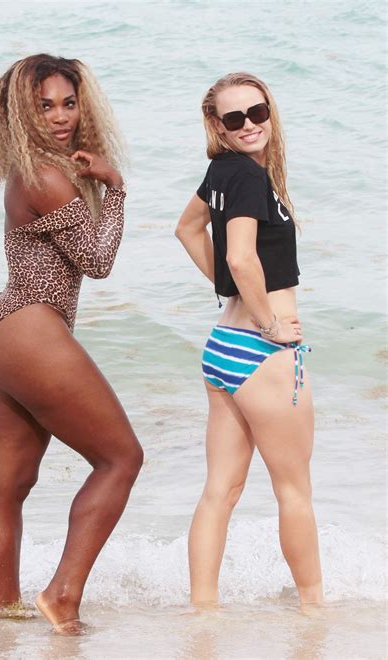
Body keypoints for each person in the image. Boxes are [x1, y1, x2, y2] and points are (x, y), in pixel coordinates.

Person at [0, 54, 143, 633]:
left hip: (1, 328)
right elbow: (98, 261)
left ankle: (6, 614)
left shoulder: (32, 170)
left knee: (10, 484)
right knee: (121, 458)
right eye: (45, 106)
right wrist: (114, 187)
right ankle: (62, 597)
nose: (61, 116)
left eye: (69, 103)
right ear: (22, 111)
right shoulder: (45, 176)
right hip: (29, 326)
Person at [175, 72, 322, 607]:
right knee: (294, 491)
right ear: (218, 125)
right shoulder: (246, 177)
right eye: (234, 118)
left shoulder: (224, 172)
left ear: (269, 111)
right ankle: (314, 611)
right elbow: (239, 255)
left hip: (223, 350)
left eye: (257, 112)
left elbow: (187, 228)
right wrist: (269, 324)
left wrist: (229, 290)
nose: (250, 125)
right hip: (263, 353)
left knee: (221, 491)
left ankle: (204, 611)